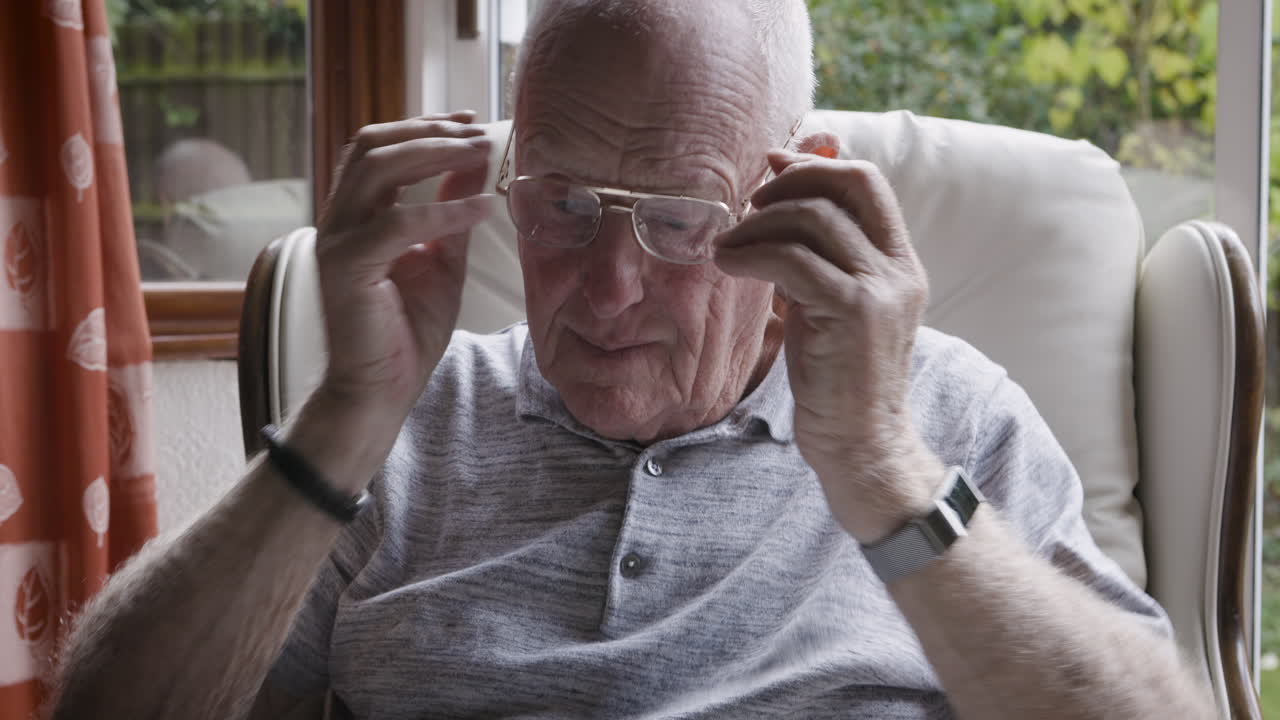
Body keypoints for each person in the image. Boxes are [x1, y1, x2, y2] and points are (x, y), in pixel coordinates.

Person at [51, 1, 1216, 718]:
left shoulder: (937, 415)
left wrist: (878, 464)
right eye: (560, 203)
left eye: (676, 215)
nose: (606, 287)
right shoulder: (405, 416)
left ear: (789, 183)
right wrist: (347, 413)